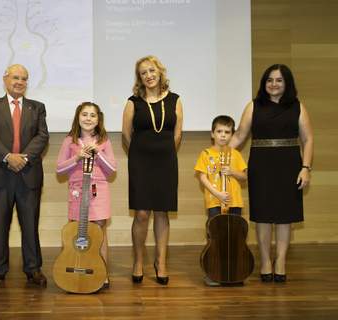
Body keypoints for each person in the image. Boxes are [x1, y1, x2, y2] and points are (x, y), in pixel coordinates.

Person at [230, 64, 314, 283]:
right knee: (263, 216)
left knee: (285, 217)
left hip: (289, 166)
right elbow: (239, 135)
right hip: (261, 165)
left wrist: (306, 168)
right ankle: (266, 261)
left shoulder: (298, 107)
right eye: (269, 80)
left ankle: (281, 261)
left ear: (287, 83)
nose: (273, 84)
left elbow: (308, 139)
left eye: (278, 80)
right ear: (263, 83)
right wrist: (219, 155)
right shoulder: (253, 106)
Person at [0, 64, 49, 288]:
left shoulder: (37, 107)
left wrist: (23, 158)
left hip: (28, 174)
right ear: (5, 79)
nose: (20, 82)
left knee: (30, 224)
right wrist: (8, 156)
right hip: (0, 174)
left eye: (24, 79)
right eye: (16, 77)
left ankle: (33, 269)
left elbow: (42, 136)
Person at [122, 55, 183, 285]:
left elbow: (177, 134)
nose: (148, 76)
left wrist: (164, 152)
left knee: (162, 212)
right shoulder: (133, 102)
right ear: (139, 78)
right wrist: (139, 153)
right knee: (141, 213)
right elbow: (127, 135)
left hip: (166, 161)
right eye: (143, 73)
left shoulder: (175, 100)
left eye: (151, 71)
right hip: (140, 161)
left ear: (160, 72)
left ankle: (161, 262)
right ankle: (138, 261)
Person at [56, 102, 117, 288]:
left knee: (99, 231)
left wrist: (98, 153)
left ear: (99, 120)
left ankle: (102, 273)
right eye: (84, 114)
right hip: (77, 191)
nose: (88, 118)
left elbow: (112, 169)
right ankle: (78, 267)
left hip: (98, 189)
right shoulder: (69, 141)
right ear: (78, 117)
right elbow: (59, 169)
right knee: (77, 230)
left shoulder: (104, 141)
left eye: (92, 115)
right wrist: (77, 158)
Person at [194, 115, 247, 286]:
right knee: (215, 237)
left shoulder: (236, 155)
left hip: (234, 201)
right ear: (212, 133)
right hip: (215, 201)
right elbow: (202, 177)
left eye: (227, 132)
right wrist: (217, 194)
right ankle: (213, 272)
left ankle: (234, 271)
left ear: (232, 134)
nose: (223, 135)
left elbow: (244, 176)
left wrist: (232, 172)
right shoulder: (206, 154)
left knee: (234, 237)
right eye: (219, 131)